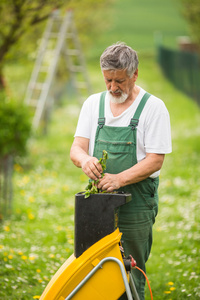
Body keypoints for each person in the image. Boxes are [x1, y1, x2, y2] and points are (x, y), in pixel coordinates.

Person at [70, 42, 172, 300]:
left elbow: (155, 160)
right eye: (108, 80)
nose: (113, 87)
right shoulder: (93, 105)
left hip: (137, 202)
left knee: (131, 268)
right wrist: (84, 161)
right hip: (97, 203)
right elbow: (77, 148)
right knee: (94, 267)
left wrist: (119, 178)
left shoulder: (153, 107)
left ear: (135, 74)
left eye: (120, 80)